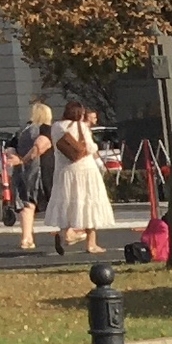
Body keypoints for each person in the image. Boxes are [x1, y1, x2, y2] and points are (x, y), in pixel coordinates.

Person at [44, 102, 115, 255]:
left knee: (67, 202)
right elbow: (90, 148)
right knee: (89, 203)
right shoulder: (81, 126)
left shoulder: (56, 127)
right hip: (85, 170)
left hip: (64, 171)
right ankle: (91, 243)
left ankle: (66, 233)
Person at [13, 100, 54, 252]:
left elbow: (10, 149)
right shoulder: (45, 129)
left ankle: (26, 238)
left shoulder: (23, 130)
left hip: (22, 172)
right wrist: (26, 159)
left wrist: (18, 161)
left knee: (27, 204)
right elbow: (40, 146)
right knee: (57, 201)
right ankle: (68, 232)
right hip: (40, 171)